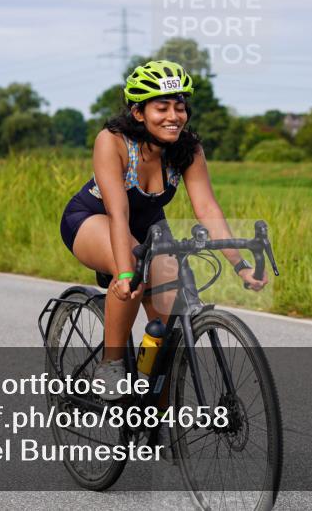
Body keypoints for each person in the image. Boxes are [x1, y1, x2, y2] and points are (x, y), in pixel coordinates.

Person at [60, 60, 267, 401]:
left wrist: (239, 264)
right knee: (133, 273)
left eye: (180, 107)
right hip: (94, 218)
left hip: (150, 226)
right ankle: (110, 363)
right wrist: (126, 270)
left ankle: (154, 402)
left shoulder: (187, 149)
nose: (174, 115)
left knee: (172, 317)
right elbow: (118, 210)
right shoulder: (112, 141)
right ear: (138, 112)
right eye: (162, 107)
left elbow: (207, 209)